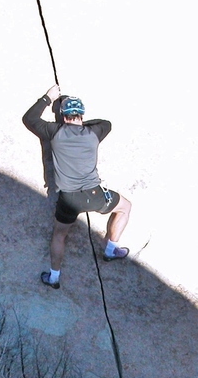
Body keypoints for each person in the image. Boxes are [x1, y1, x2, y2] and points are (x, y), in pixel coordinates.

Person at [23, 85, 132, 289]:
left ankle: (54, 277)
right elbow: (106, 123)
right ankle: (110, 249)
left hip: (69, 199)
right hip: (96, 194)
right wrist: (80, 124)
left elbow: (30, 119)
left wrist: (48, 98)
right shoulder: (94, 132)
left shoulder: (54, 132)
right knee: (125, 207)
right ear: (81, 115)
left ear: (63, 116)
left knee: (59, 234)